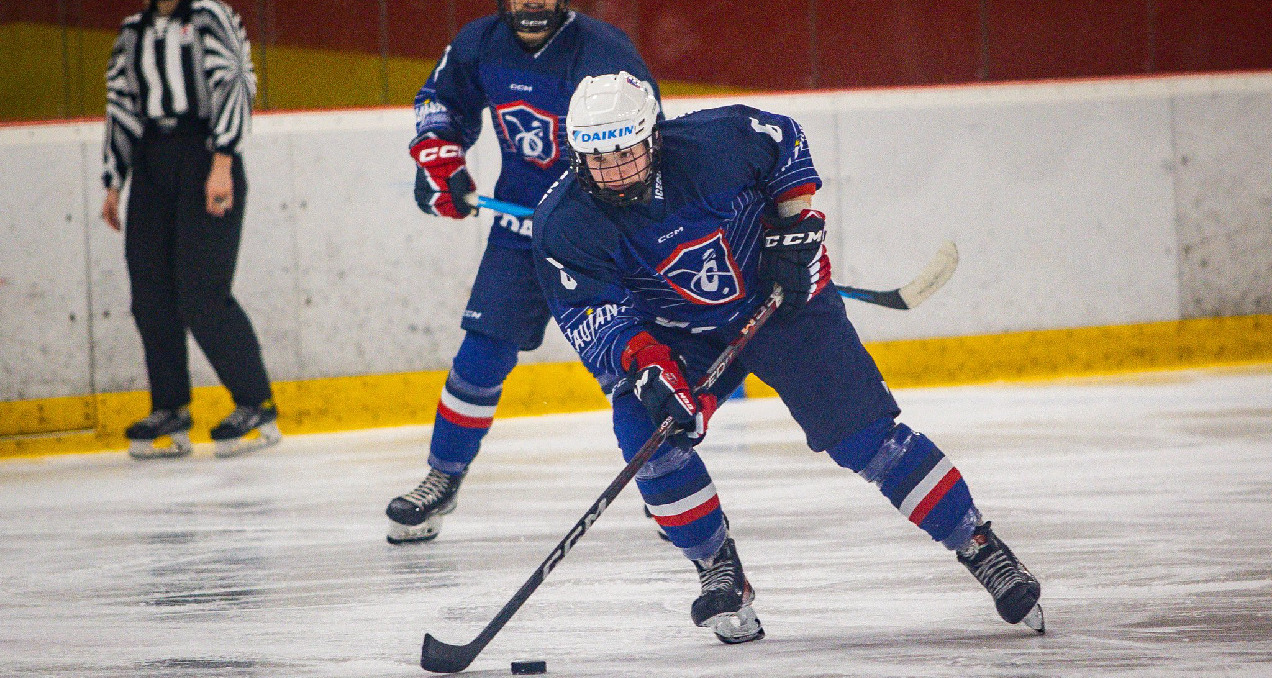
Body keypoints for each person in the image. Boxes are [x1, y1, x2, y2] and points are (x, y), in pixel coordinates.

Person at [530, 72, 1045, 644]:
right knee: (649, 438)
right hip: (679, 335)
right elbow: (592, 314)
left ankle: (981, 547)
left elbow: (785, 140)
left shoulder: (716, 141)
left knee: (865, 437)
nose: (616, 171)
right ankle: (717, 566)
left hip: (786, 305)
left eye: (627, 152)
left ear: (654, 135)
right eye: (599, 159)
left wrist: (792, 227)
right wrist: (649, 365)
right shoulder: (563, 223)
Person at [385, 0, 662, 544]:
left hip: (599, 237)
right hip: (522, 232)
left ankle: (662, 480)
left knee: (635, 363)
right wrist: (441, 165)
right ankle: (443, 477)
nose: (531, 3)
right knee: (480, 355)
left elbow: (648, 136)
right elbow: (440, 101)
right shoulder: (478, 43)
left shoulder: (602, 51)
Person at [101, 0, 280, 460]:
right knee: (150, 291)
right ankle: (170, 407)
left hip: (203, 155)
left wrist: (223, 161)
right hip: (151, 162)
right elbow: (120, 104)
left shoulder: (208, 15)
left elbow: (237, 81)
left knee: (202, 291)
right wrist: (114, 182)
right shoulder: (131, 30)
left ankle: (254, 402)